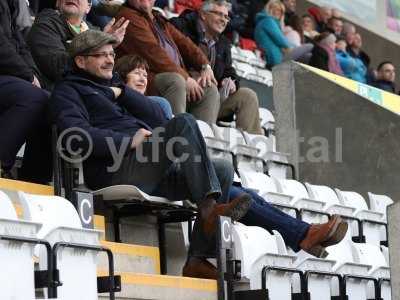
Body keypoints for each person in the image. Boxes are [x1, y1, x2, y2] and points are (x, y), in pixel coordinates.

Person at [51, 30, 253, 279]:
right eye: (100, 55)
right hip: (117, 168)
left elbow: (159, 117)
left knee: (222, 168)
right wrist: (127, 142)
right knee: (185, 122)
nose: (110, 60)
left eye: (112, 54)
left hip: (148, 168)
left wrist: (123, 92)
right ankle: (208, 209)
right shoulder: (68, 91)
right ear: (80, 61)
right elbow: (76, 136)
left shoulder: (116, 90)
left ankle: (197, 259)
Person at [115, 0, 221, 124]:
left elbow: (185, 43)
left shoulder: (157, 18)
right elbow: (153, 53)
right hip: (145, 77)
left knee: (209, 89)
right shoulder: (128, 16)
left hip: (172, 75)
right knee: (175, 81)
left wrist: (205, 65)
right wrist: (185, 77)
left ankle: (200, 140)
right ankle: (176, 135)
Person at [170, 0, 263, 134]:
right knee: (210, 88)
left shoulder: (223, 43)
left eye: (226, 17)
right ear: (203, 14)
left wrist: (230, 80)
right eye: (219, 14)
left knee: (248, 96)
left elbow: (228, 70)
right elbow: (169, 58)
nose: (223, 20)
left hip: (212, 97)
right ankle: (203, 140)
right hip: (183, 91)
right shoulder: (181, 26)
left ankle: (253, 150)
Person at [0, 0, 51, 183]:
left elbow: (21, 46)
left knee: (51, 102)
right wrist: (28, 76)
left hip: (10, 76)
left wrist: (33, 76)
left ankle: (34, 180)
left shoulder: (10, 4)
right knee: (32, 97)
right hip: (6, 74)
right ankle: (2, 163)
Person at [27, 0, 129, 90]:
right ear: (58, 2)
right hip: (60, 92)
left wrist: (105, 43)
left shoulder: (94, 31)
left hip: (94, 91)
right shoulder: (45, 25)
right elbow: (57, 67)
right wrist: (99, 45)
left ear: (88, 7)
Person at [254, 0, 313, 68]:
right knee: (309, 46)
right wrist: (293, 48)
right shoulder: (268, 21)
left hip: (276, 56)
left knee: (308, 55)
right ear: (269, 8)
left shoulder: (267, 21)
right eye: (276, 9)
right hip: (274, 58)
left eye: (281, 11)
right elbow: (281, 41)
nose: (278, 12)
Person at [115, 54, 173, 119]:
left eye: (145, 75)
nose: (142, 79)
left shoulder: (155, 103)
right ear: (122, 76)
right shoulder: (159, 103)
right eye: (137, 73)